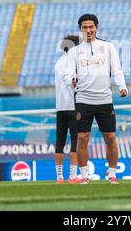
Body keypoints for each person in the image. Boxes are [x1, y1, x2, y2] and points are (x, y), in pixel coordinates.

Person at [63, 14, 128, 184]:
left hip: (105, 100)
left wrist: (122, 86)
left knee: (110, 137)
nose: (88, 30)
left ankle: (112, 174)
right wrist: (71, 80)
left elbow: (117, 69)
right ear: (80, 29)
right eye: (85, 27)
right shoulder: (74, 51)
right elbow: (67, 73)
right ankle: (84, 176)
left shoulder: (108, 47)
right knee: (83, 137)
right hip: (83, 99)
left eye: (91, 27)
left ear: (96, 27)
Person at [54, 34, 80, 184]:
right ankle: (72, 176)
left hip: (60, 106)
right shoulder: (74, 62)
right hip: (74, 105)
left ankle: (59, 177)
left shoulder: (58, 63)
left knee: (60, 141)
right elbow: (71, 80)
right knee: (75, 140)